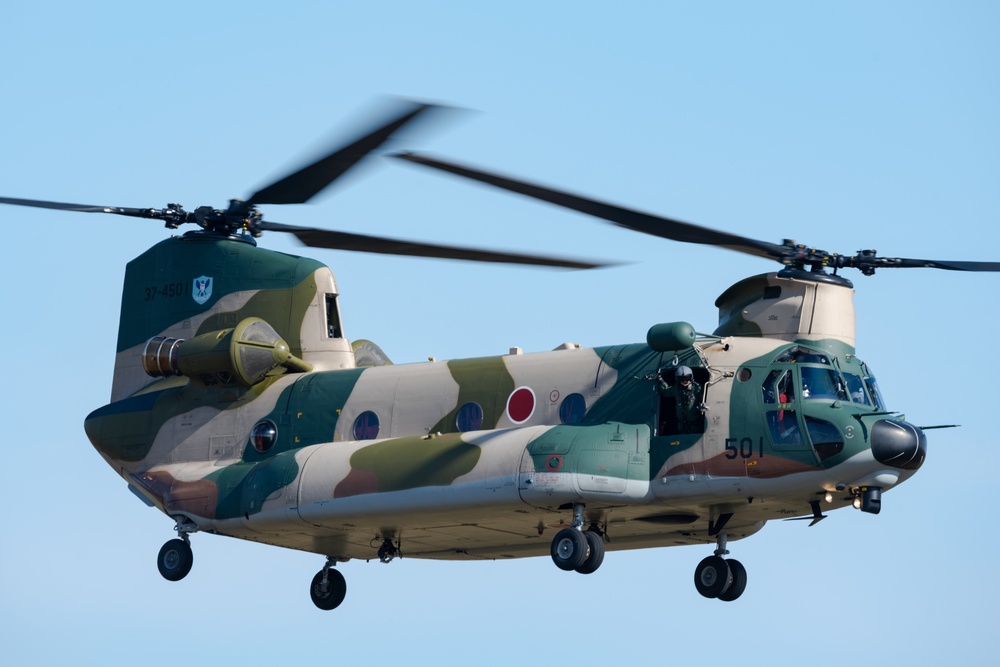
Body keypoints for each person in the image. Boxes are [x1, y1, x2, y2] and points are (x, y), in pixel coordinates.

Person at [657, 365, 705, 434]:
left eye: (687, 378)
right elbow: (666, 392)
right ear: (677, 379)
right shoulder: (676, 389)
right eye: (681, 379)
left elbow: (703, 398)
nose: (685, 381)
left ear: (691, 378)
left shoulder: (697, 388)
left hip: (695, 424)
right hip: (682, 424)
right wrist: (661, 381)